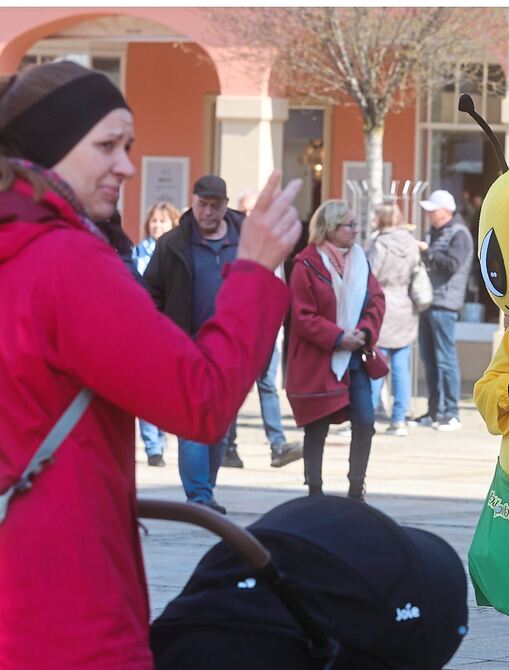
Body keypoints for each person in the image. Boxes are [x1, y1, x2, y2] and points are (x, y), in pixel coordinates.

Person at [0, 61, 301, 670]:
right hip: (64, 611)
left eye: (129, 146)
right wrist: (253, 268)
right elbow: (200, 400)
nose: (127, 166)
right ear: (52, 145)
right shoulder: (67, 263)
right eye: (107, 145)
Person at [143, 175, 243, 513]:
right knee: (192, 424)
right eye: (202, 205)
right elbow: (151, 293)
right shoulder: (172, 244)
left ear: (225, 206)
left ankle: (206, 490)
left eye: (215, 206)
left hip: (231, 351)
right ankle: (199, 497)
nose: (208, 212)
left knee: (219, 427)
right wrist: (161, 336)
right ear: (193, 202)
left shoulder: (245, 242)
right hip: (187, 348)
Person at [285, 200, 385, 501]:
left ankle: (356, 489)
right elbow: (303, 316)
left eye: (356, 224)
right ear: (329, 228)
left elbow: (376, 301)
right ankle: (314, 491)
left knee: (365, 422)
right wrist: (338, 337)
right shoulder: (306, 264)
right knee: (316, 426)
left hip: (355, 359)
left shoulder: (360, 260)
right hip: (319, 359)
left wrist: (364, 332)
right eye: (349, 225)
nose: (355, 230)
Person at [231, 190, 303, 468]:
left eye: (255, 210)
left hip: (269, 327)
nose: (250, 216)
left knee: (267, 384)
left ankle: (278, 445)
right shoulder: (234, 243)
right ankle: (227, 446)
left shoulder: (274, 244)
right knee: (235, 385)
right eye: (246, 211)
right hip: (241, 326)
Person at [414, 189, 473, 431]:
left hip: (445, 304)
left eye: (433, 210)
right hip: (428, 302)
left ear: (446, 211)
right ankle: (434, 411)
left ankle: (451, 413)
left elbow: (452, 266)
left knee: (445, 360)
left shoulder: (459, 234)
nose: (428, 214)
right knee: (430, 360)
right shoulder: (433, 232)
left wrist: (427, 251)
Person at [133, 201, 180, 466]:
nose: (157, 226)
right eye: (153, 221)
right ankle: (153, 446)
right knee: (147, 387)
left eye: (162, 221)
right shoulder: (137, 253)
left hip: (170, 329)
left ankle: (160, 435)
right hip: (144, 328)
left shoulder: (178, 255)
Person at [367, 203, 419, 436]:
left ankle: (367, 416)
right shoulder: (410, 242)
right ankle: (399, 419)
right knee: (400, 366)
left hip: (382, 303)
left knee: (375, 363)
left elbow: (370, 275)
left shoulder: (379, 243)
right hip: (405, 304)